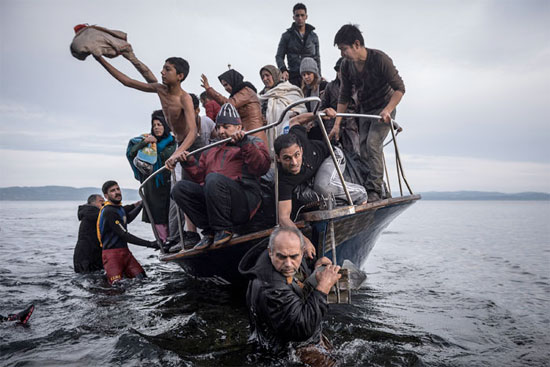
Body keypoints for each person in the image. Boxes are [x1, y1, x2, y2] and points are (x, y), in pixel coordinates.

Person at [171, 104, 271, 250]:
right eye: (218, 127)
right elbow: (200, 177)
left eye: (226, 127)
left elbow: (261, 167)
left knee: (213, 179)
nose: (221, 131)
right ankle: (209, 232)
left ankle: (223, 229)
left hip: (243, 201)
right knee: (179, 188)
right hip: (215, 202)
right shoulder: (211, 149)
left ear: (238, 127)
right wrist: (188, 162)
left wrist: (244, 143)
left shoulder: (253, 142)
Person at [240, 227, 340, 366]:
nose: (288, 264)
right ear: (270, 252)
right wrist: (323, 286)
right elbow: (301, 329)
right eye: (282, 257)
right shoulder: (271, 287)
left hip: (303, 338)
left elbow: (297, 286)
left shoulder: (287, 260)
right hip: (288, 351)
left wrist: (315, 272)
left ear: (301, 251)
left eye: (294, 256)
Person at [329, 24, 406, 202]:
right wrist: (337, 125)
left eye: (343, 49)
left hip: (384, 108)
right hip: (365, 109)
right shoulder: (347, 66)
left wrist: (388, 110)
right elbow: (344, 96)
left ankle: (375, 191)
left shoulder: (380, 59)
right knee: (362, 148)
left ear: (357, 44)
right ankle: (366, 186)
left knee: (372, 144)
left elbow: (400, 89)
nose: (342, 54)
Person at [274, 110, 367, 255]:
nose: (294, 162)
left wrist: (319, 113)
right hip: (312, 176)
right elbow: (283, 218)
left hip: (332, 156)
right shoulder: (283, 178)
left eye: (297, 155)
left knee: (322, 186)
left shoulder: (298, 138)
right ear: (278, 158)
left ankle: (360, 193)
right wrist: (303, 239)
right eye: (287, 158)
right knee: (304, 197)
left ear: (301, 150)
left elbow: (295, 121)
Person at [93, 51, 197, 171]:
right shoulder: (160, 89)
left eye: (167, 70)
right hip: (178, 144)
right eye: (163, 68)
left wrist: (176, 153)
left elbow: (193, 132)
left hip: (190, 145)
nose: (162, 72)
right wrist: (99, 59)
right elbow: (128, 81)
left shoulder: (184, 98)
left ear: (180, 76)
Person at [127, 110, 177, 243]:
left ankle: (175, 238)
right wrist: (145, 142)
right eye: (154, 125)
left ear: (165, 126)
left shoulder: (173, 142)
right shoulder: (146, 141)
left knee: (172, 212)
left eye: (159, 124)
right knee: (157, 215)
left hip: (169, 183)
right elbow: (131, 153)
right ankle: (163, 241)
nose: (156, 127)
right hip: (152, 185)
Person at [97, 180, 158, 284]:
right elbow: (124, 235)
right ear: (106, 196)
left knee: (142, 279)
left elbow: (127, 219)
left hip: (125, 253)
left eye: (118, 189)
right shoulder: (109, 211)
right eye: (112, 191)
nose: (117, 192)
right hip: (112, 256)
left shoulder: (118, 208)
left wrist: (141, 205)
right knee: (117, 287)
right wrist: (151, 244)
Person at [201, 69, 267, 146]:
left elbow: (229, 104)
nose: (225, 89)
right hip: (246, 133)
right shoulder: (239, 93)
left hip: (254, 134)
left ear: (233, 81)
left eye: (226, 85)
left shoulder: (246, 91)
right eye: (223, 86)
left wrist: (209, 89)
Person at [276, 3, 321, 87]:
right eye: (297, 15)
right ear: (294, 17)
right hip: (293, 76)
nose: (300, 18)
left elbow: (317, 58)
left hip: (310, 77)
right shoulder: (286, 36)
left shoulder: (313, 37)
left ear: (306, 16)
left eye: (302, 15)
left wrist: (319, 76)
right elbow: (279, 56)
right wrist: (283, 70)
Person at [322, 57, 360, 155]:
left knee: (355, 156)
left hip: (351, 128)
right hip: (331, 128)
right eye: (339, 70)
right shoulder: (330, 87)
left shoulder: (358, 88)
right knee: (331, 155)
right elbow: (322, 107)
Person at [258, 65, 306, 140]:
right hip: (268, 136)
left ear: (274, 75)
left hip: (289, 134)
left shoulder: (289, 90)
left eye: (267, 75)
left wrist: (296, 113)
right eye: (262, 77)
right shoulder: (262, 96)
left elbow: (301, 110)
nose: (265, 79)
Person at [73, 194, 105, 273]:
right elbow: (115, 216)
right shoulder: (94, 214)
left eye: (104, 201)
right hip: (86, 257)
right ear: (92, 203)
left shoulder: (91, 213)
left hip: (88, 255)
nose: (104, 203)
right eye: (101, 201)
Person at [299, 57, 328, 140]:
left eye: (308, 73)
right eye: (303, 75)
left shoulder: (324, 86)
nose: (306, 77)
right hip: (312, 127)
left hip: (324, 125)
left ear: (314, 73)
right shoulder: (305, 91)